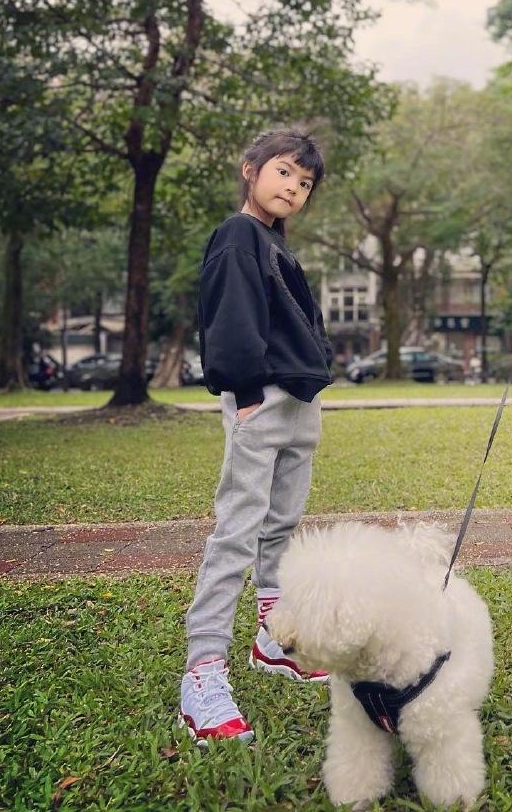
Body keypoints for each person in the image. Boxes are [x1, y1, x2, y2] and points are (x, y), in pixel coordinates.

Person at [179, 128, 334, 748]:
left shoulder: (275, 243)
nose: (293, 187)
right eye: (284, 172)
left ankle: (275, 640)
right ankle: (203, 671)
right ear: (251, 169)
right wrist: (244, 391)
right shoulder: (237, 235)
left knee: (282, 526)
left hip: (299, 404)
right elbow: (229, 318)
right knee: (237, 532)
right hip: (260, 400)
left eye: (305, 182)